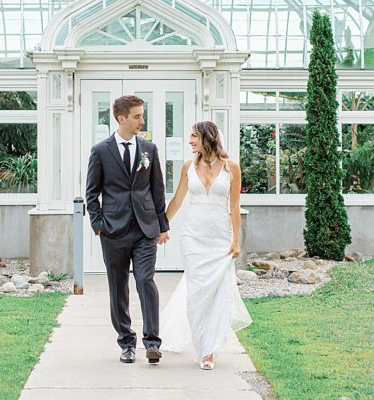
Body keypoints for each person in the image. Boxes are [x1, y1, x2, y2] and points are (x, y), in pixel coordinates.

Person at [84, 95, 170, 365]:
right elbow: (91, 193)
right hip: (113, 231)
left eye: (142, 115)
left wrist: (162, 226)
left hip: (145, 229)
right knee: (118, 287)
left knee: (145, 280)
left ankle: (152, 342)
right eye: (137, 116)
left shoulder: (149, 149)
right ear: (121, 118)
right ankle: (126, 343)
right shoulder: (100, 151)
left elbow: (157, 189)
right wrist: (99, 225)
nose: (142, 121)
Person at [160, 121, 252, 370]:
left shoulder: (232, 167)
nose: (190, 141)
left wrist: (235, 240)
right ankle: (202, 347)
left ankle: (210, 349)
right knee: (197, 293)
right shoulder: (187, 167)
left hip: (220, 238)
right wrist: (161, 226)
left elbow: (234, 205)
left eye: (193, 136)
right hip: (193, 237)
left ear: (207, 137)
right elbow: (177, 200)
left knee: (218, 293)